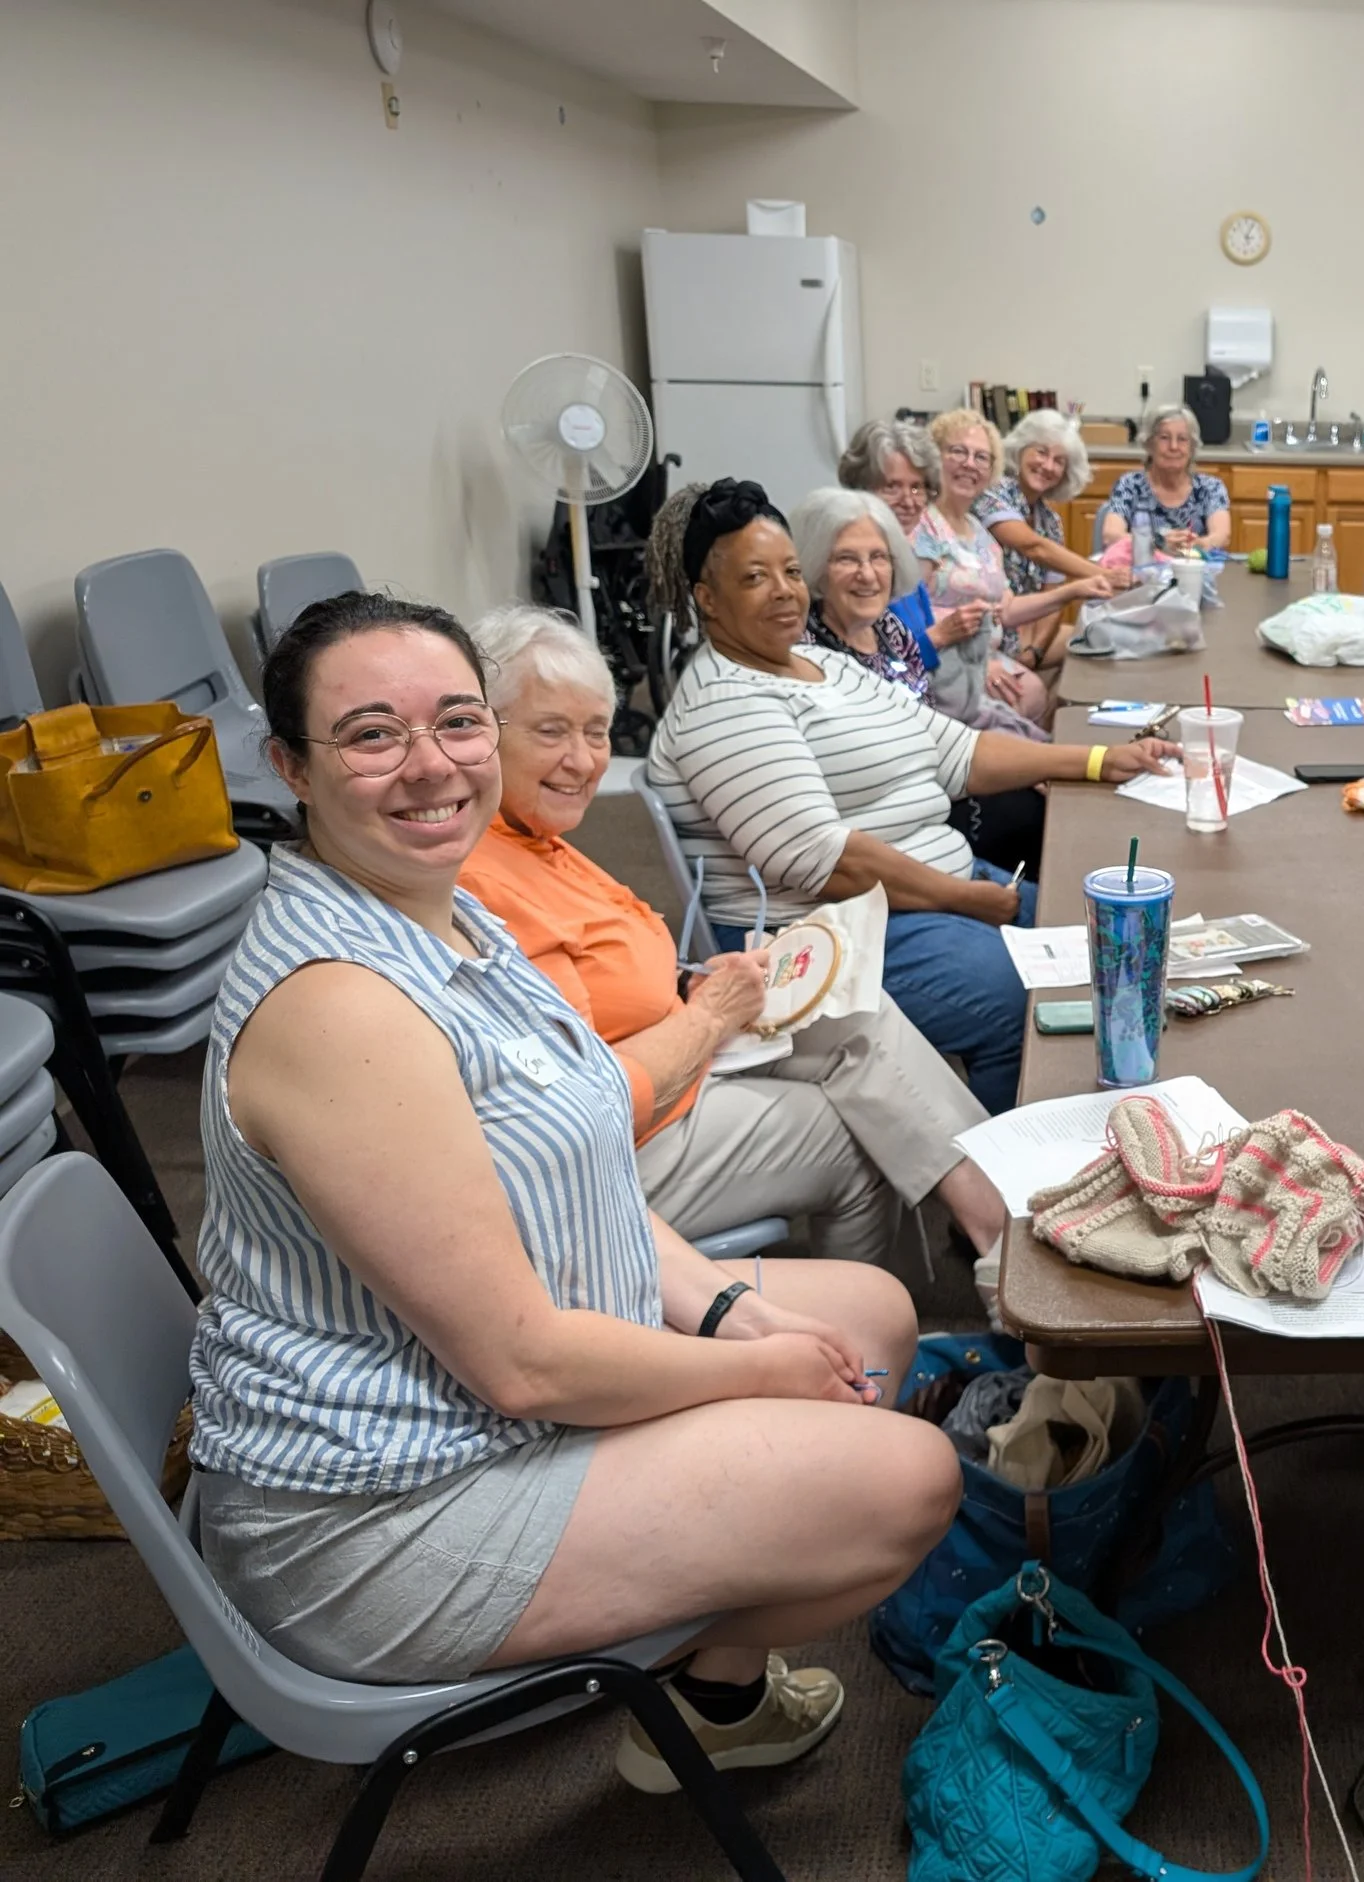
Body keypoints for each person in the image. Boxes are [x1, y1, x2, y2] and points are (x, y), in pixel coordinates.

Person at [188, 591, 958, 1794]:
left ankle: (710, 1693)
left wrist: (719, 1310)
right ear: (291, 765)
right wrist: (755, 1368)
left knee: (872, 1313)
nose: (432, 765)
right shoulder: (340, 1006)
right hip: (385, 1505)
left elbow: (586, 1164)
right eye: (373, 734)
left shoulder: (456, 920)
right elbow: (523, 1365)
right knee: (905, 1475)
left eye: (456, 721)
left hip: (486, 1383)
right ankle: (686, 1668)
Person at [457, 602, 1008, 1276]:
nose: (582, 759)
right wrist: (710, 1012)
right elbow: (584, 1097)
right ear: (480, 732)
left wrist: (687, 982)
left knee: (855, 1012)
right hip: (618, 1143)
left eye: (597, 732)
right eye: (551, 732)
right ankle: (889, 1338)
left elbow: (604, 974)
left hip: (669, 1050)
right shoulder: (480, 879)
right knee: (858, 1132)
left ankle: (1000, 1232)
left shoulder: (535, 836)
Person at [644, 479, 1177, 1114]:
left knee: (1103, 933)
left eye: (790, 571)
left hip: (925, 899)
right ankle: (1005, 1192)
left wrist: (1096, 759)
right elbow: (826, 860)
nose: (785, 591)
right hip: (832, 934)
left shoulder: (824, 664)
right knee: (1024, 997)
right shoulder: (723, 704)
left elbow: (960, 751)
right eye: (755, 578)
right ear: (707, 599)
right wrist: (969, 899)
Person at [787, 484, 1048, 875]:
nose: (867, 574)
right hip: (882, 820)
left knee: (1038, 801)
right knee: (1028, 818)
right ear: (815, 566)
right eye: (846, 559)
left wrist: (1030, 765)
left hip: (929, 785)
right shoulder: (805, 648)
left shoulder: (889, 629)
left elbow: (931, 726)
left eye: (878, 557)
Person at [821, 427, 1045, 744]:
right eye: (892, 487)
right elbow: (873, 676)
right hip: (893, 733)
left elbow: (925, 674)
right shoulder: (855, 571)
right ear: (862, 488)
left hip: (931, 716)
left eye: (917, 488)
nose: (909, 501)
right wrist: (940, 637)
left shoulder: (905, 563)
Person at [917, 409, 1111, 726]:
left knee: (1093, 647)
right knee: (1040, 695)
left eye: (981, 457)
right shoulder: (938, 520)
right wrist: (1098, 574)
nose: (969, 464)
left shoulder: (981, 532)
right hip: (951, 656)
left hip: (1000, 641)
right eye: (958, 452)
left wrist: (1074, 591)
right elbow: (1033, 547)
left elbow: (1006, 607)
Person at [980, 408, 1108, 609]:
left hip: (1025, 628)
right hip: (985, 621)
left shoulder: (1051, 522)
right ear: (1020, 450)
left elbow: (1054, 597)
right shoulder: (991, 492)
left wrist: (1037, 642)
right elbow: (1034, 547)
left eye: (1059, 461)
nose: (1048, 466)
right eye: (1041, 452)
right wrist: (1105, 574)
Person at [1102, 405, 1231, 556]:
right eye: (1164, 438)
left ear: (1192, 447)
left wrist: (1201, 544)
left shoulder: (1210, 487)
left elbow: (1223, 536)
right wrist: (1158, 543)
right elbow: (1110, 535)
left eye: (1182, 439)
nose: (1174, 447)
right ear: (1149, 443)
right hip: (1142, 574)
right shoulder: (1130, 485)